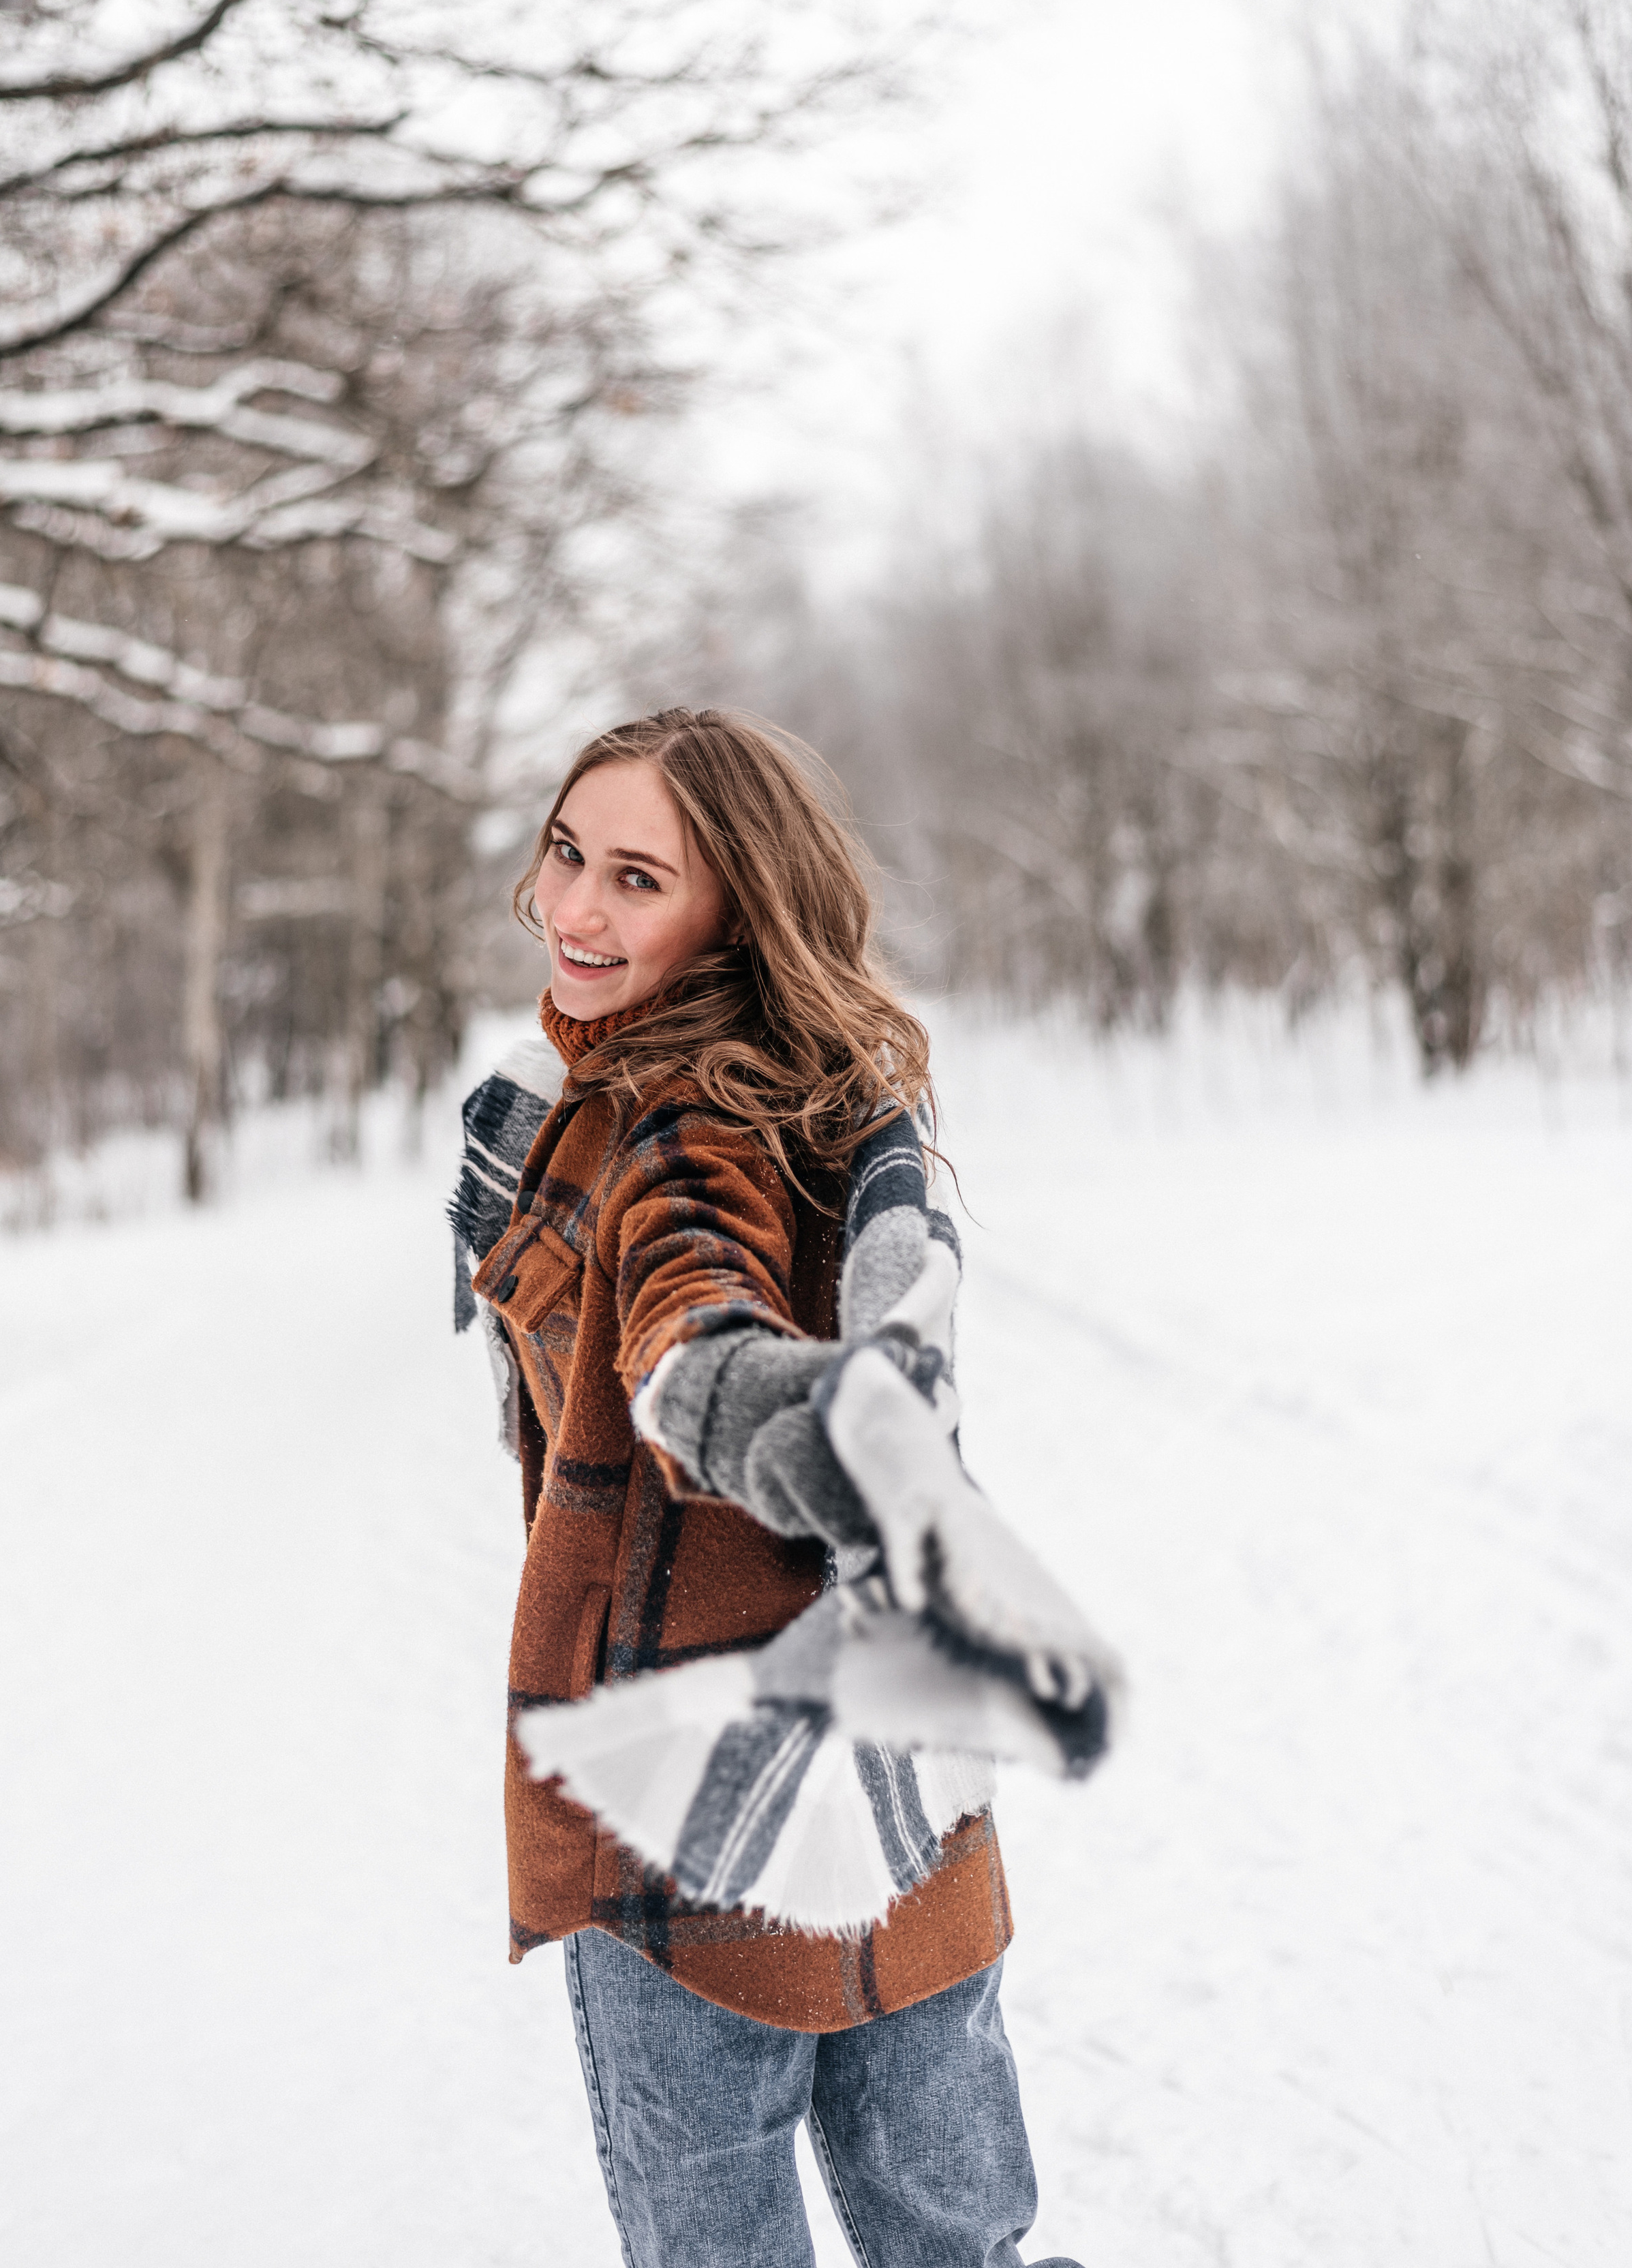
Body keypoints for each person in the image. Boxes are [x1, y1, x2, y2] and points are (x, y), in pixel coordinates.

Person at [450, 707, 1107, 2268]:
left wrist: (765, 1412)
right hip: (902, 1772)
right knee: (960, 2243)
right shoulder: (837, 1108)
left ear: (731, 909)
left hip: (690, 1816)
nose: (574, 911)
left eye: (635, 879)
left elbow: (693, 1309)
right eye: (565, 855)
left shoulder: (668, 1127)